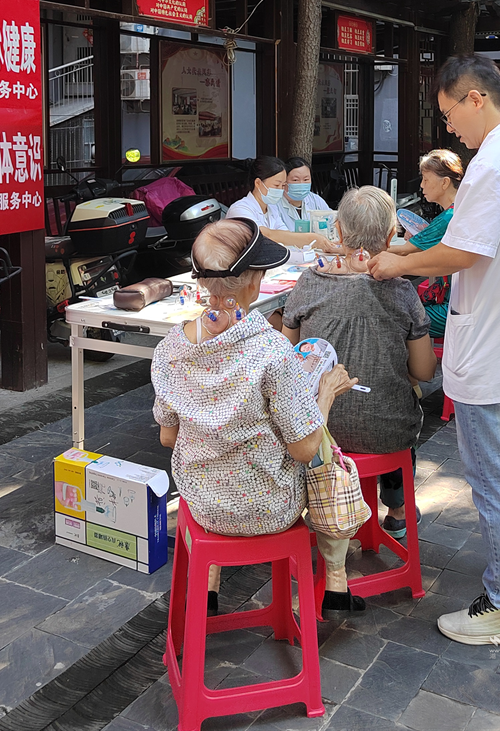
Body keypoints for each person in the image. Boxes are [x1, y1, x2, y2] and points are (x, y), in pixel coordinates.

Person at [368, 54, 500, 648]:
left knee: (494, 474)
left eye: (450, 113)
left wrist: (395, 265)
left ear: (476, 98)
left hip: (491, 342)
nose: (450, 128)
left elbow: (464, 252)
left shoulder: (494, 164)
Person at [151, 217, 365, 614]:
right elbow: (304, 449)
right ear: (254, 281)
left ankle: (209, 584)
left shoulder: (169, 350)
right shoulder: (272, 351)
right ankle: (336, 575)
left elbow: (169, 437)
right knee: (324, 449)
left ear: (203, 281)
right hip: (270, 508)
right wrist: (325, 396)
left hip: (201, 505)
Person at [281, 186, 436, 537]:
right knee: (400, 408)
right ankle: (397, 509)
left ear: (337, 230)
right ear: (391, 235)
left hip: (318, 427)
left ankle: (319, 505)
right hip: (387, 430)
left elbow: (289, 357)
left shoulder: (308, 283)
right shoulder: (402, 291)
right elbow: (424, 371)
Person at [391, 149, 464, 337]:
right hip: (457, 298)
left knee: (395, 318)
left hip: (453, 305)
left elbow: (403, 251)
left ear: (444, 182)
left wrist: (358, 249)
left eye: (426, 179)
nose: (422, 185)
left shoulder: (448, 217)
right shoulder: (459, 209)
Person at [226, 156, 339, 252]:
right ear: (258, 183)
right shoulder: (240, 209)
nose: (280, 190)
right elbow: (266, 235)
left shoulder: (271, 209)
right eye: (276, 185)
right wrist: (312, 238)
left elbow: (286, 235)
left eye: (283, 185)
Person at [274, 156, 331, 231]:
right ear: (284, 181)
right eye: (295, 180)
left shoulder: (315, 200)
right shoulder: (275, 204)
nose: (301, 183)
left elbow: (332, 221)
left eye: (306, 179)